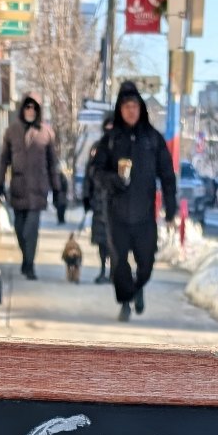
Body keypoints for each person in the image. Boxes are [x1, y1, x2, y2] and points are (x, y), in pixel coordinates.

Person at [101, 81, 177, 321]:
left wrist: (171, 206)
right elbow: (96, 171)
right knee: (119, 262)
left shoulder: (153, 139)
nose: (130, 110)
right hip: (117, 213)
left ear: (141, 108)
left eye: (134, 106)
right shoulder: (111, 139)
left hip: (145, 214)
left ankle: (137, 287)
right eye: (126, 106)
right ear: (120, 110)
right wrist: (112, 179)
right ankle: (125, 301)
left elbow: (167, 174)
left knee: (146, 263)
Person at [0, 93, 60, 280]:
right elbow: (4, 160)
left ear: (38, 111)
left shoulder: (46, 133)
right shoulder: (12, 131)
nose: (30, 111)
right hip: (19, 188)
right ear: (23, 109)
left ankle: (29, 265)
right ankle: (26, 258)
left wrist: (57, 189)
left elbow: (52, 164)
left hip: (38, 189)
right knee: (19, 228)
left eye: (34, 108)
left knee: (31, 229)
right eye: (27, 107)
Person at [83, 114, 114, 283]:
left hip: (117, 203)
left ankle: (114, 272)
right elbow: (89, 173)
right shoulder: (97, 147)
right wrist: (86, 197)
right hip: (99, 201)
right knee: (102, 240)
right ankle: (103, 270)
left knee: (116, 241)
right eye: (107, 126)